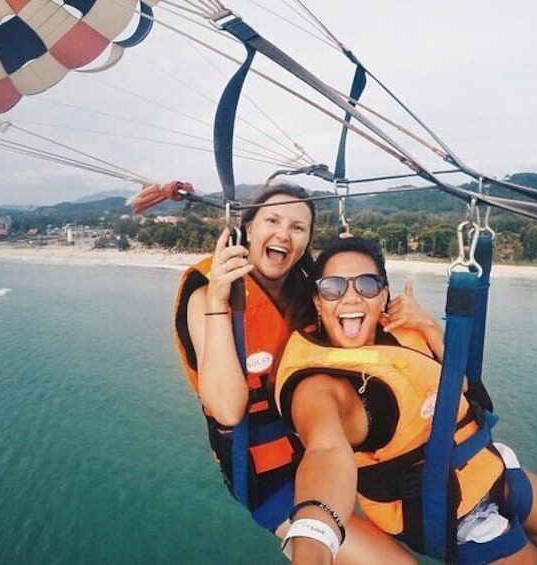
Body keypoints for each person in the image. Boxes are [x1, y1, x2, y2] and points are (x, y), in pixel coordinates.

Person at [274, 237, 537, 564]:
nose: (350, 296)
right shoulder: (320, 385)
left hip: (477, 464)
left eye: (366, 284)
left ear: (383, 296)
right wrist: (313, 538)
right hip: (440, 503)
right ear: (318, 301)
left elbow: (458, 385)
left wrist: (428, 325)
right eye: (333, 287)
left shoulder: (399, 331)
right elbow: (326, 451)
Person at [174, 185, 416, 563]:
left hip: (326, 441)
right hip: (270, 473)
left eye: (298, 227)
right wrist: (220, 302)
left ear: (305, 242)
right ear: (248, 229)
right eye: (272, 220)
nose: (284, 234)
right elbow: (226, 409)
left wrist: (416, 323)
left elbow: (361, 336)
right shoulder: (207, 295)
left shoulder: (306, 292)